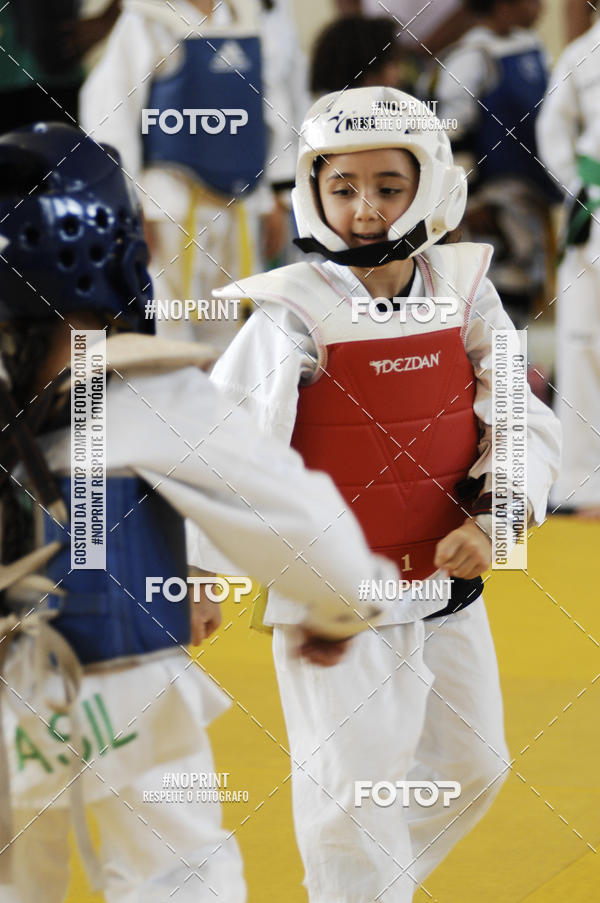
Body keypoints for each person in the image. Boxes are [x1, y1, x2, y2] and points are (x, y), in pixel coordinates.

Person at [0, 122, 400, 902]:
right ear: (118, 252)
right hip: (130, 697)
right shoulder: (155, 390)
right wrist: (342, 603)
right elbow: (290, 511)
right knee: (177, 875)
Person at [202, 87, 561, 901]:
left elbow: (516, 412)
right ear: (313, 189)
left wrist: (499, 513)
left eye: (388, 186)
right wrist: (202, 573)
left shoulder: (466, 290)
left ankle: (366, 886)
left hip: (446, 582)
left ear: (429, 185)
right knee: (350, 797)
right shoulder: (291, 312)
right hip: (338, 598)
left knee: (476, 767)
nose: (364, 208)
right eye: (343, 186)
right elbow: (230, 450)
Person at [79, 0, 303, 349]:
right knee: (168, 332)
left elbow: (273, 110)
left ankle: (229, 404)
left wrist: (277, 196)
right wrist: (127, 206)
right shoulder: (146, 20)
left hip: (241, 206)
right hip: (167, 208)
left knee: (235, 338)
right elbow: (110, 111)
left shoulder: (245, 18)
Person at [434, 0, 561, 330]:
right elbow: (451, 136)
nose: (541, 7)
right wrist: (472, 202)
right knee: (500, 292)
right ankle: (500, 373)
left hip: (529, 191)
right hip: (493, 199)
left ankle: (517, 369)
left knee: (529, 286)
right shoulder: (470, 58)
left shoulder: (530, 47)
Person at [536, 16, 600, 516]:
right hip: (592, 205)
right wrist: (579, 184)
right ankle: (583, 483)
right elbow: (553, 127)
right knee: (582, 345)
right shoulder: (582, 52)